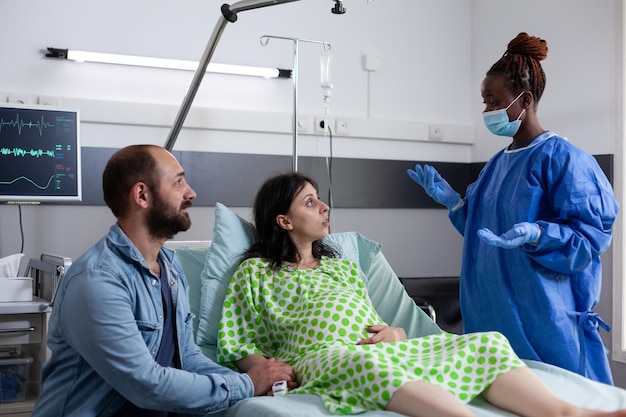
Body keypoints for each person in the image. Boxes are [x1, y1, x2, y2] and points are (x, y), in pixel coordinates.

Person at [216, 171, 626, 417]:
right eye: (310, 202)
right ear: (284, 220)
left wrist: (396, 333)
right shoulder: (255, 273)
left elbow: (376, 321)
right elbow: (240, 341)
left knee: (486, 344)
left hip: (381, 350)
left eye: (320, 198)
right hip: (323, 357)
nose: (324, 207)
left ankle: (570, 413)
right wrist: (265, 372)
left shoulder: (342, 265)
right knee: (362, 360)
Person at [407, 32, 619, 385]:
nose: (488, 111)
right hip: (490, 319)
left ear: (526, 100)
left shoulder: (565, 160)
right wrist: (456, 203)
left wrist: (538, 234)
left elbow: (588, 242)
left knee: (563, 399)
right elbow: (487, 236)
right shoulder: (495, 165)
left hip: (545, 320)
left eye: (494, 101)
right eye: (485, 102)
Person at [32, 145, 295, 417]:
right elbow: (146, 384)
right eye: (178, 181)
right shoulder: (98, 280)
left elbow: (187, 358)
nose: (190, 193)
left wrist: (258, 382)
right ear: (142, 195)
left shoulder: (169, 269)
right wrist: (247, 384)